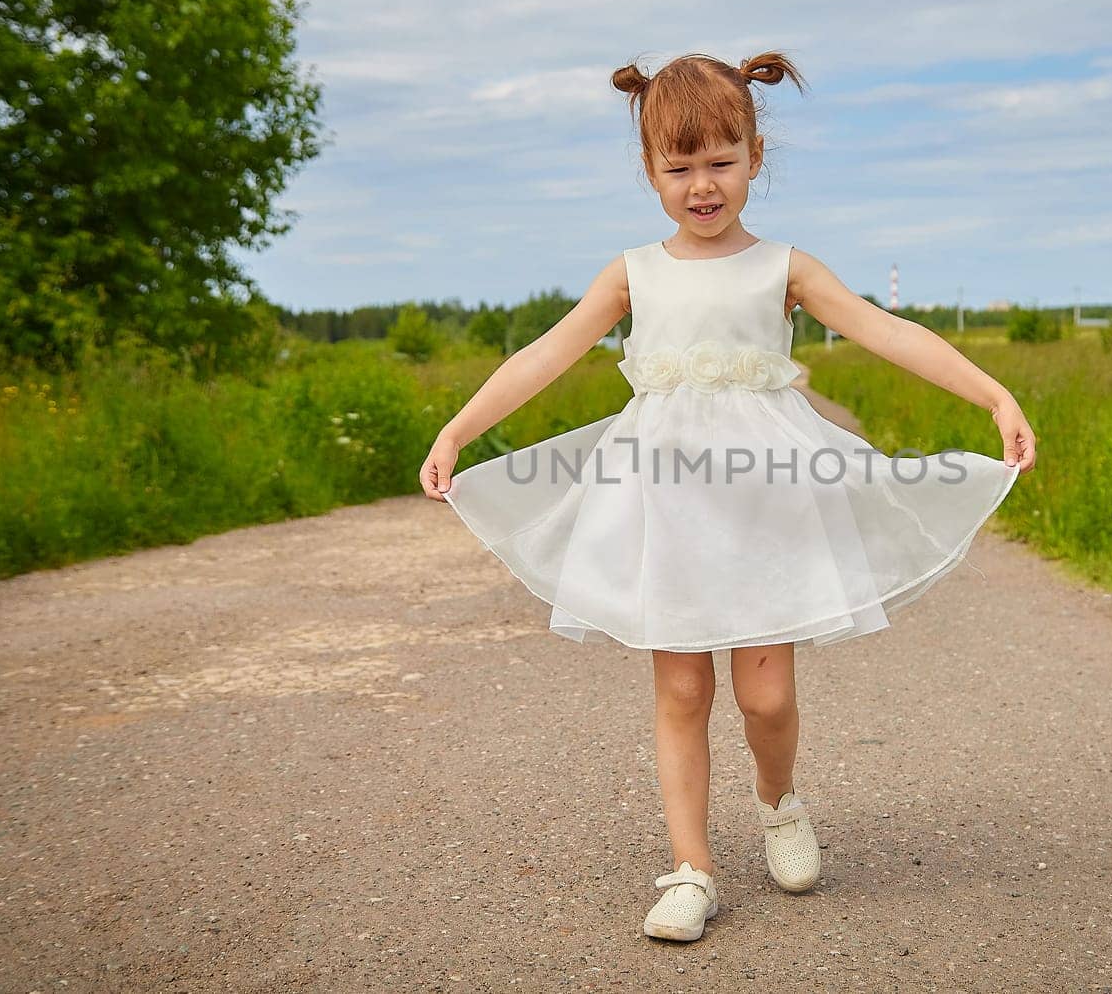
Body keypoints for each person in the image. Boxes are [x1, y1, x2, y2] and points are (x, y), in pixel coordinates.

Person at [418, 50, 1037, 943]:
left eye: (721, 162)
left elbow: (883, 328)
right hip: (663, 507)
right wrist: (457, 430)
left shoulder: (783, 266)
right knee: (679, 691)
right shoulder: (632, 273)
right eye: (680, 168)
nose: (702, 187)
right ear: (650, 172)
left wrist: (993, 394)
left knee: (766, 699)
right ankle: (691, 870)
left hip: (766, 505)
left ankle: (779, 801)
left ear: (755, 154)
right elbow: (543, 355)